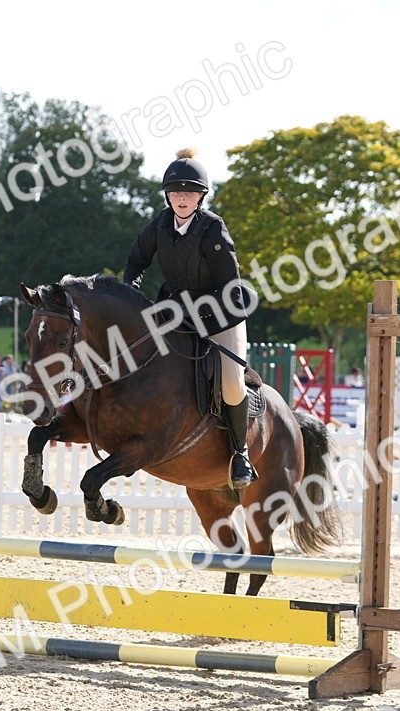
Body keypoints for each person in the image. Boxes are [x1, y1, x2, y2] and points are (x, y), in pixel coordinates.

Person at [122, 147, 259, 489]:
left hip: (222, 314)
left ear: (201, 197)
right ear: (168, 195)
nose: (182, 198)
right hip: (174, 311)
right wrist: (130, 293)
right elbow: (136, 262)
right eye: (176, 192)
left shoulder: (213, 229)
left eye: (190, 192)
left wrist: (190, 312)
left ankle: (239, 453)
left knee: (230, 381)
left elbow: (231, 287)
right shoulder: (159, 225)